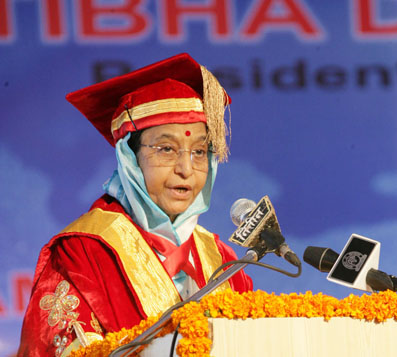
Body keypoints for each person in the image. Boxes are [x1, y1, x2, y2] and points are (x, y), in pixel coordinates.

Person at [17, 53, 253, 356]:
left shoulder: (221, 259)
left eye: (199, 151)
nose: (186, 168)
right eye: (166, 149)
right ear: (130, 159)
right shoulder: (83, 253)